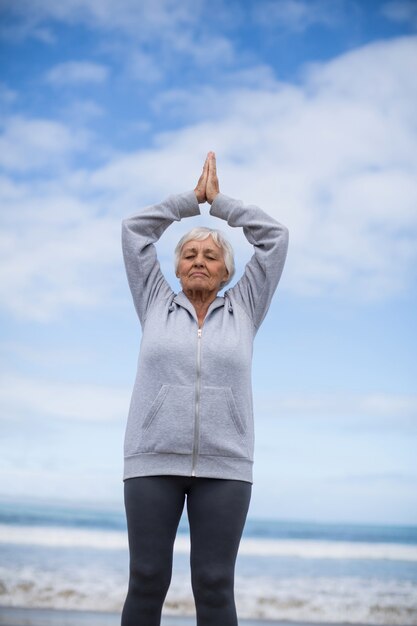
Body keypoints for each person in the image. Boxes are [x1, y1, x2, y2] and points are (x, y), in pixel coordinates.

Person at [120, 152, 289, 626]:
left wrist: (221, 205)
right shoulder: (154, 301)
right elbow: (134, 230)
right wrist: (189, 203)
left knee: (215, 585)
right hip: (152, 457)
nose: (198, 261)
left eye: (210, 256)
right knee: (147, 577)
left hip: (226, 465)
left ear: (226, 272)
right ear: (175, 270)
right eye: (189, 255)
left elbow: (276, 239)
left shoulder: (246, 307)